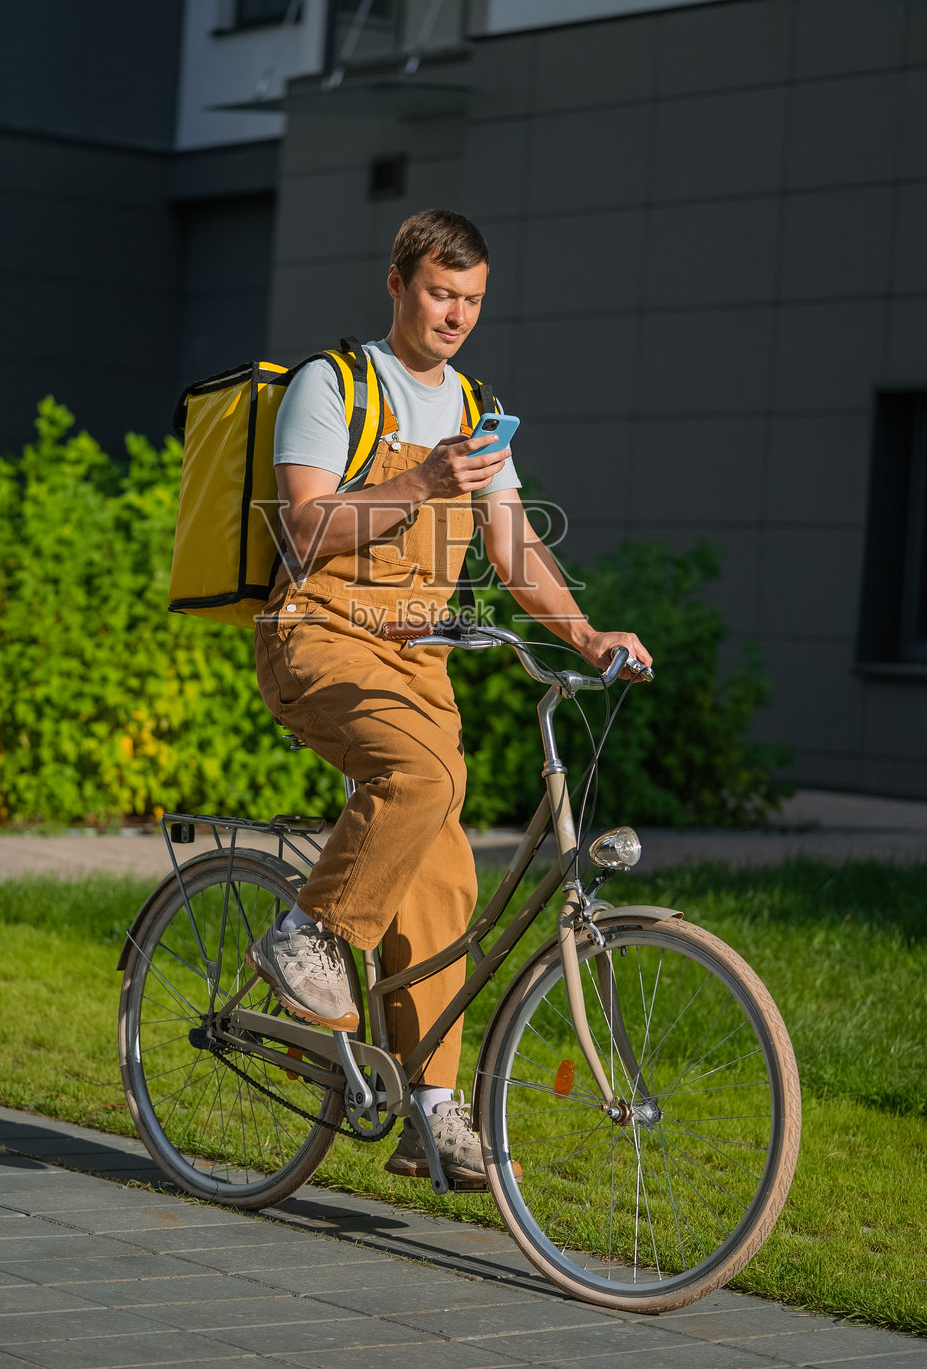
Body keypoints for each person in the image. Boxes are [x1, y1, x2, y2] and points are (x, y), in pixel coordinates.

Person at [248, 208, 651, 1186]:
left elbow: (513, 548)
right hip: (321, 635)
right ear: (396, 285)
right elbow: (302, 527)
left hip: (416, 662)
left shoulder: (477, 406)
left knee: (444, 877)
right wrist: (425, 476)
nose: (455, 314)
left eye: (471, 299)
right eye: (439, 293)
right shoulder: (333, 385)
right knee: (421, 774)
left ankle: (430, 1106)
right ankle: (307, 932)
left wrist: (587, 632)